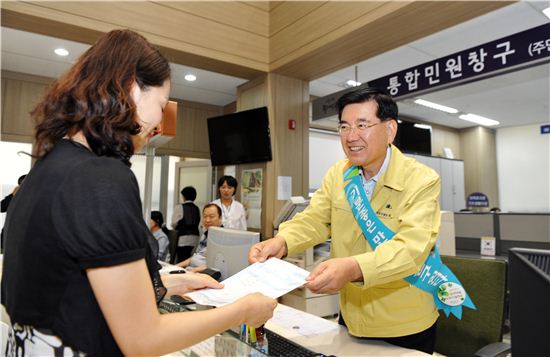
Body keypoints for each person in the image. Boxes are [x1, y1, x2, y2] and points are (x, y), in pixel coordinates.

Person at [0, 29, 276, 357]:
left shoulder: (50, 166)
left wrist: (167, 284)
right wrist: (242, 311)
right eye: (161, 104)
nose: (159, 122)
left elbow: (72, 285)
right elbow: (143, 339)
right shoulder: (100, 178)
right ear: (131, 88)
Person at [249, 87, 441, 354]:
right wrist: (282, 242)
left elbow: (411, 250)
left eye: (362, 125)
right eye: (344, 127)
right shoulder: (339, 174)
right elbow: (315, 219)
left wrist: (351, 268)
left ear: (390, 130)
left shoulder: (422, 180)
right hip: (351, 318)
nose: (351, 137)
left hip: (403, 325)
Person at [177, 203, 222, 272]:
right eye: (205, 216)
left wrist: (191, 272)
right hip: (190, 270)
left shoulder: (222, 239)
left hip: (202, 274)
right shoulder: (205, 234)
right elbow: (195, 257)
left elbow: (215, 266)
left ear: (220, 218)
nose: (207, 220)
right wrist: (175, 267)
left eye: (211, 216)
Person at [171, 186, 200, 262]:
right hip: (195, 238)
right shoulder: (197, 208)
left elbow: (174, 223)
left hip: (183, 238)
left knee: (181, 260)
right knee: (190, 260)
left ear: (183, 196)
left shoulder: (180, 207)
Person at [1, 174, 26, 252]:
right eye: (21, 184)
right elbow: (1, 207)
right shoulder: (14, 196)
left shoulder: (37, 196)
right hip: (9, 235)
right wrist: (12, 195)